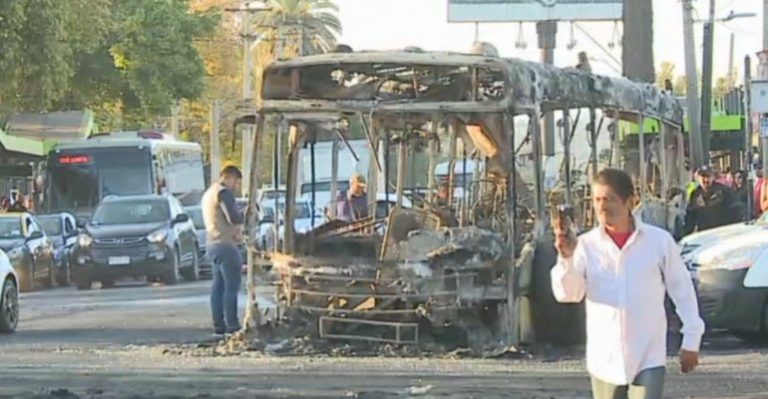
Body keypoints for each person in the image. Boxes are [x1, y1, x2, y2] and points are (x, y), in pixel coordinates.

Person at [551, 168, 704, 399]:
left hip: (648, 353)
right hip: (605, 358)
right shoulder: (585, 245)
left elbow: (681, 289)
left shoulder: (658, 242)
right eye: (597, 200)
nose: (602, 207)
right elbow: (569, 294)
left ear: (630, 201)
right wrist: (566, 258)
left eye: (610, 199)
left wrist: (692, 338)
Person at [201, 166, 245, 337]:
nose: (236, 185)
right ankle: (233, 325)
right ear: (229, 177)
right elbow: (233, 218)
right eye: (236, 181)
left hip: (212, 244)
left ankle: (218, 326)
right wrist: (246, 214)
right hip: (226, 244)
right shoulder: (223, 193)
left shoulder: (208, 193)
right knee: (231, 287)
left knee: (218, 286)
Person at [685, 165, 734, 234]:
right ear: (698, 178)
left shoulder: (723, 191)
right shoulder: (695, 194)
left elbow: (734, 210)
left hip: (722, 232)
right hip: (704, 234)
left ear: (713, 177)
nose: (705, 180)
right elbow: (690, 217)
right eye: (703, 176)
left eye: (708, 176)